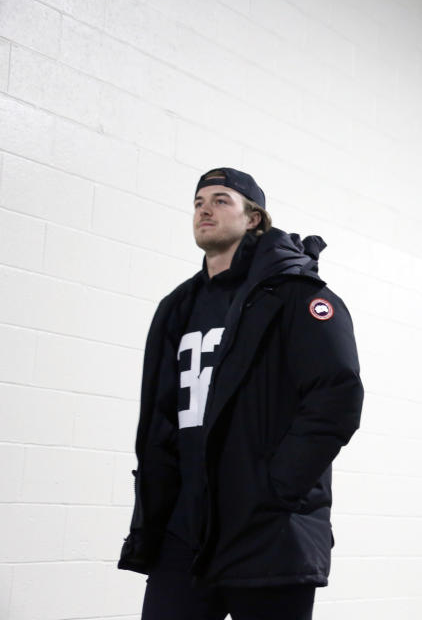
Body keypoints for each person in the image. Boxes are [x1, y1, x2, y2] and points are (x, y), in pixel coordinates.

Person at [118, 167, 364, 620]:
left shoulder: (296, 296)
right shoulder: (178, 307)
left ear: (254, 219)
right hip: (186, 532)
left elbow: (337, 396)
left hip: (268, 531)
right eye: (198, 202)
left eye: (220, 199)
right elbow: (162, 416)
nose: (204, 209)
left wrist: (275, 486)